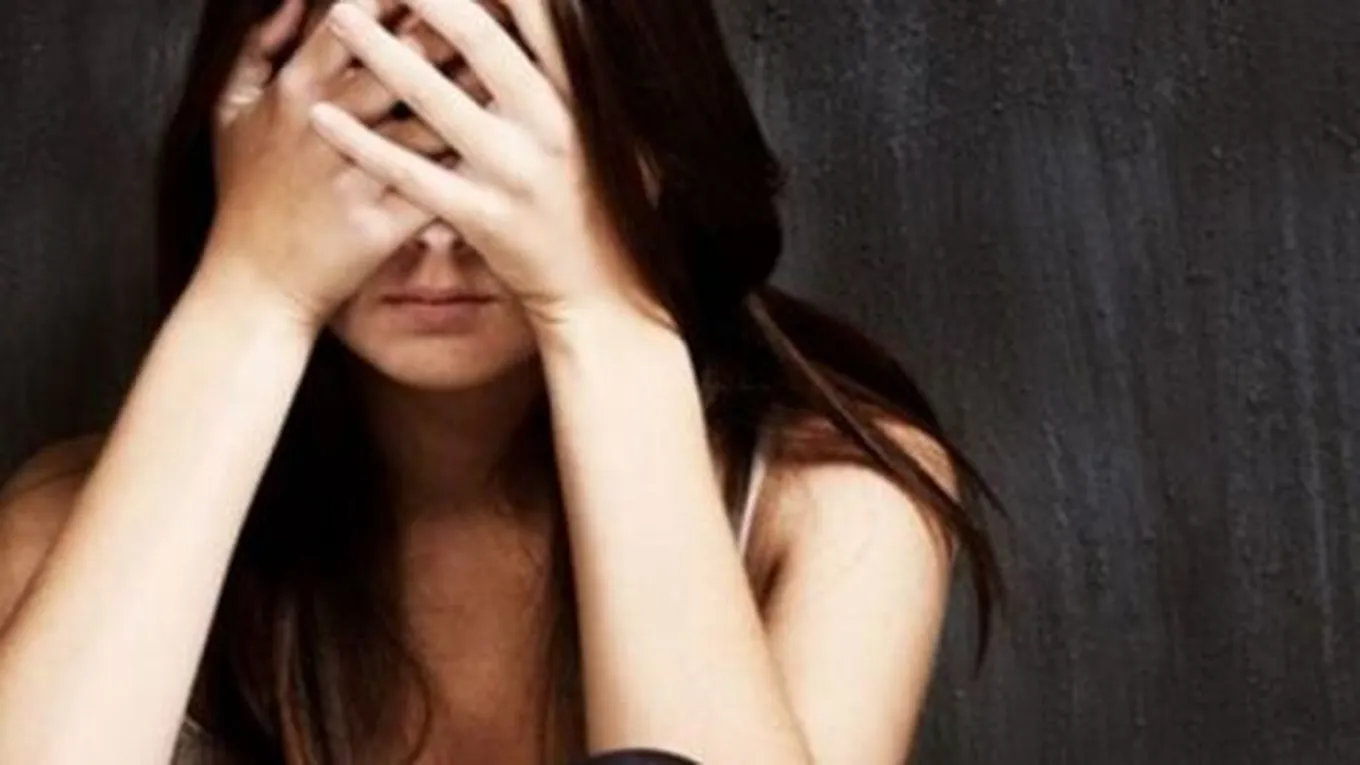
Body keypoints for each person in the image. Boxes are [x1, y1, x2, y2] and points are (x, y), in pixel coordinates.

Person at [0, 0, 1000, 763]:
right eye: (381, 121)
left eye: (501, 133)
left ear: (650, 148)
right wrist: (251, 292)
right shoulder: (69, 523)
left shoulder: (826, 507)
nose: (438, 231)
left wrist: (604, 318)